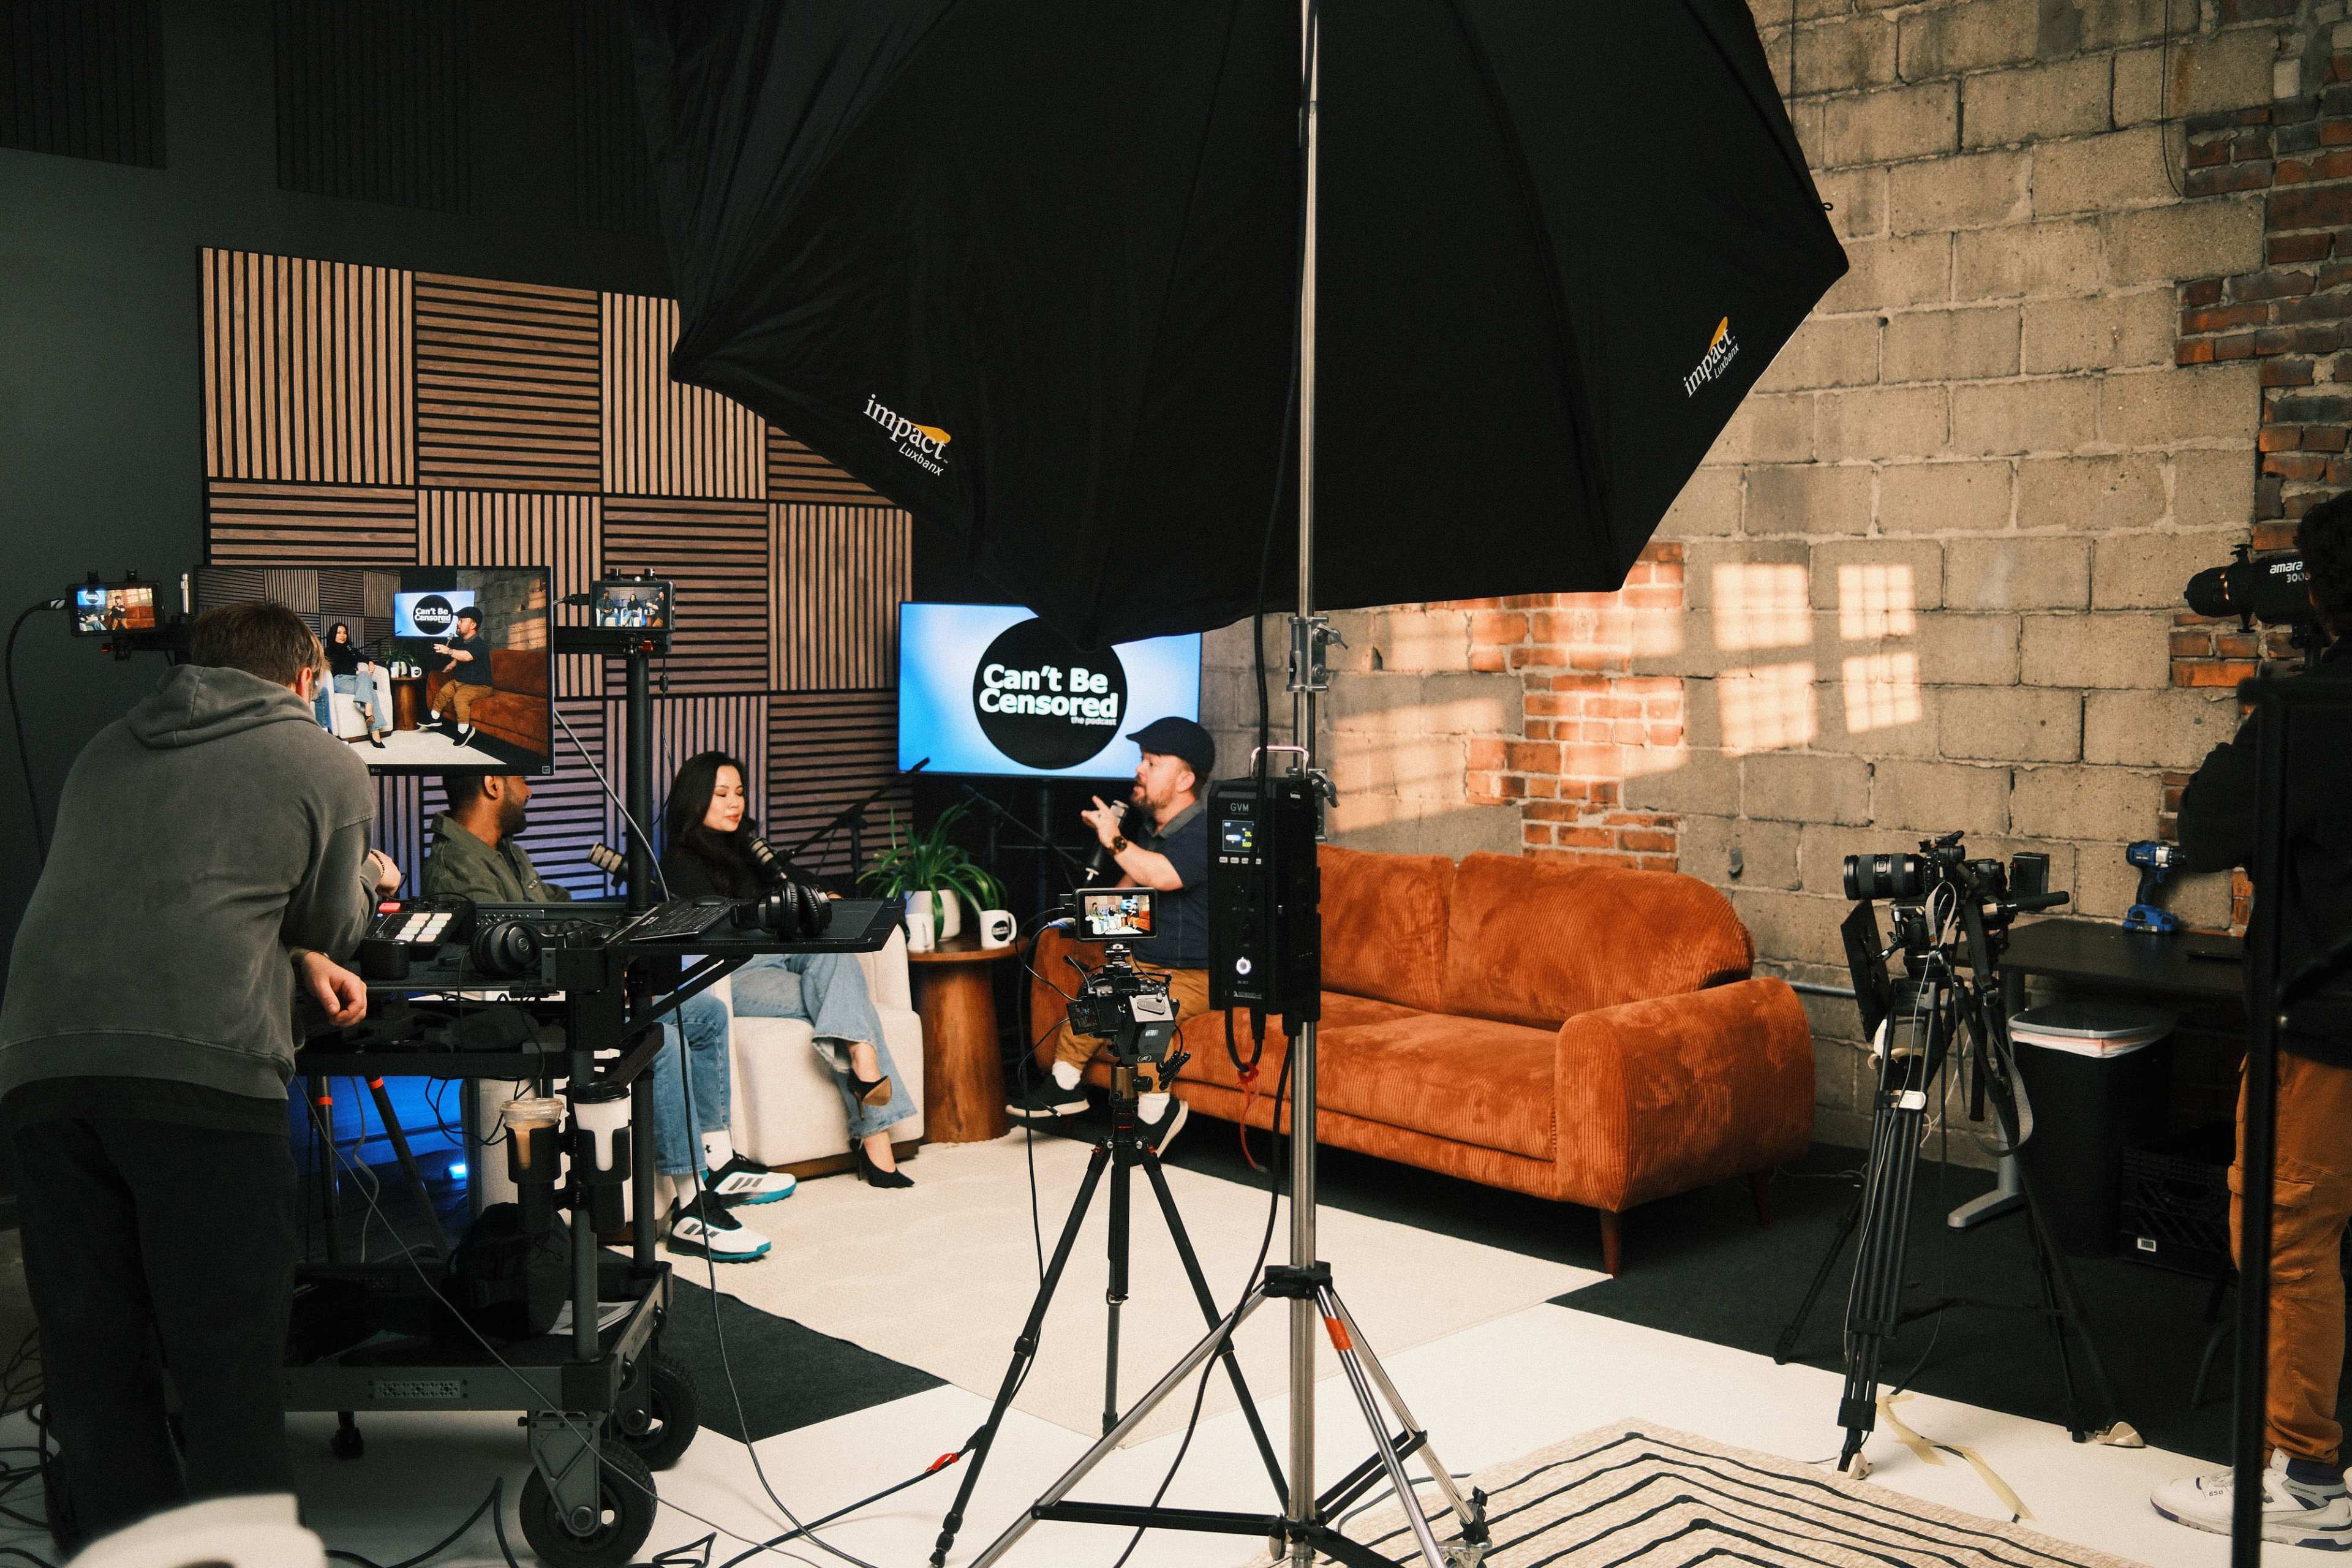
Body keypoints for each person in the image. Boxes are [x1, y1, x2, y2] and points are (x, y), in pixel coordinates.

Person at [0, 602, 399, 1542]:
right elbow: (332, 924)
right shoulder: (323, 760)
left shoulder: (106, 748)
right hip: (203, 1076)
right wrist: (371, 884)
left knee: (96, 1365)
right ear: (306, 679)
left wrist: (287, 954)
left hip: (41, 1069)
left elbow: (171, 894)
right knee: (227, 1371)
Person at [2152, 494, 2352, 1549]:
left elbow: (2207, 825)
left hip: (2324, 1026)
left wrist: (2277, 692)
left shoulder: (2316, 711)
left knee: (2282, 1236)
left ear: (2323, 595)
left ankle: (2307, 1478)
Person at [421, 773, 794, 1261]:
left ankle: (717, 1159)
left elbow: (555, 909)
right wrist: (595, 967)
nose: (529, 791)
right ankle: (691, 1206)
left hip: (567, 993)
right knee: (659, 1038)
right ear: (493, 785)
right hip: (532, 1013)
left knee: (705, 1013)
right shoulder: (458, 867)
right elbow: (512, 954)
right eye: (521, 780)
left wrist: (621, 928)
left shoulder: (504, 850)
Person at [659, 751, 917, 1188]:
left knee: (837, 957)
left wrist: (821, 897)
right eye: (721, 794)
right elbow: (717, 926)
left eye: (739, 792)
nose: (735, 803)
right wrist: (781, 911)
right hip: (735, 972)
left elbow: (805, 885)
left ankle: (864, 1060)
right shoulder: (680, 861)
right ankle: (876, 1135)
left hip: (785, 953)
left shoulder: (752, 849)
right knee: (847, 1003)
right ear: (695, 799)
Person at [1006, 716, 1213, 1154]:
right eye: (1142, 759)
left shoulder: (1205, 832)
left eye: (1153, 762)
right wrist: (1077, 918)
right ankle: (1065, 1085)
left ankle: (1159, 1112)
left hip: (1198, 973)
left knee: (1143, 1006)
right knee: (1100, 989)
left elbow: (1162, 876)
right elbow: (1125, 896)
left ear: (1185, 780)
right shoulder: (1152, 833)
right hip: (1149, 962)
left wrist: (1114, 840)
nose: (1139, 769)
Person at [427, 606, 492, 745]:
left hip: (480, 686)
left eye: (462, 620)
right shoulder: (463, 642)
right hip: (460, 682)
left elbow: (467, 656)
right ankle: (435, 719)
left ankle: (465, 731)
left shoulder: (479, 644)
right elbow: (460, 655)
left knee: (460, 699)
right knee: (444, 692)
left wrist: (448, 651)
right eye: (458, 620)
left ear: (473, 625)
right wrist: (452, 664)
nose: (458, 623)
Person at [321, 621, 391, 750]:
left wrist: (370, 663)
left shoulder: (351, 650)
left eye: (345, 633)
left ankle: (368, 709)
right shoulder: (328, 651)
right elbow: (333, 669)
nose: (343, 635)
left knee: (364, 675)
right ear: (333, 635)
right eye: (339, 633)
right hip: (340, 681)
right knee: (370, 690)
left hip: (356, 680)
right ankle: (375, 732)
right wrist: (355, 672)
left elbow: (365, 658)